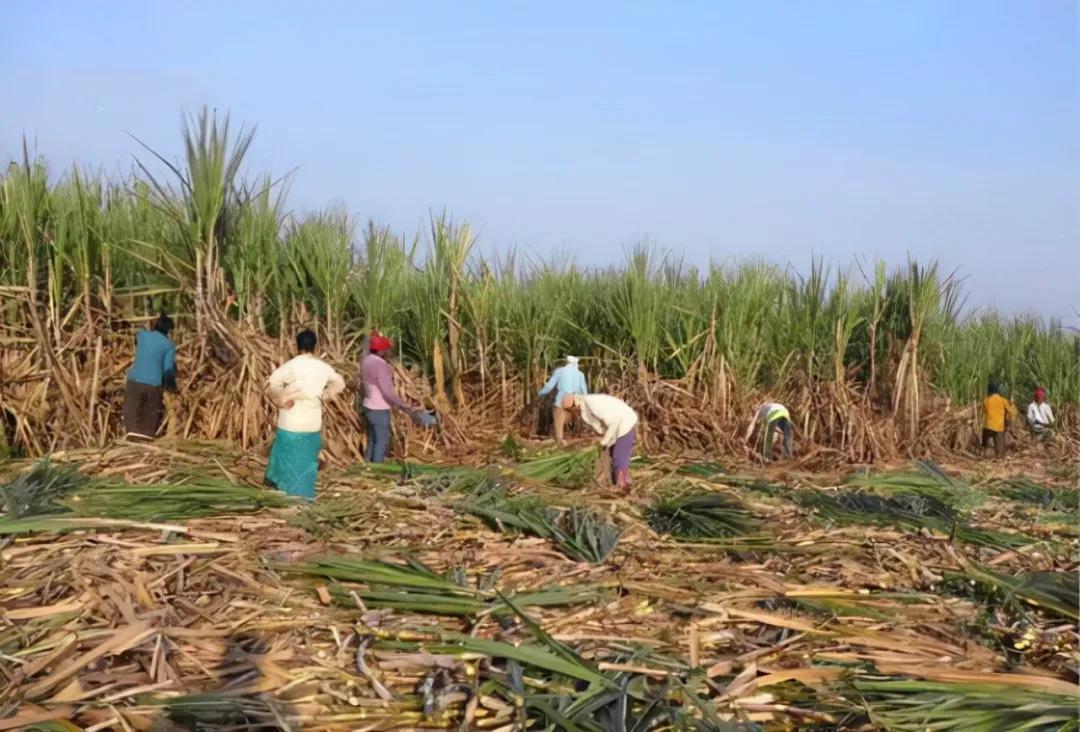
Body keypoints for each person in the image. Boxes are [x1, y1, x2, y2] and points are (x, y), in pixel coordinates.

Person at [264, 329, 346, 499]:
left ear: (297, 345)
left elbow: (272, 383)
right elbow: (340, 383)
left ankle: (285, 494)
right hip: (312, 421)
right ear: (315, 346)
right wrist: (324, 396)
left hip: (291, 420)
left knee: (288, 458)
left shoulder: (291, 365)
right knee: (307, 461)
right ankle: (302, 496)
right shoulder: (323, 367)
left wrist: (282, 398)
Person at [359, 331, 419, 463]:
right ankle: (377, 471)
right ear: (381, 351)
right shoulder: (381, 365)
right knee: (381, 441)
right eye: (387, 350)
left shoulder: (365, 361)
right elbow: (387, 391)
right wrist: (403, 405)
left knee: (372, 440)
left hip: (368, 407)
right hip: (379, 409)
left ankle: (367, 468)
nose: (389, 353)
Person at [561, 393, 637, 488]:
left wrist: (604, 442)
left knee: (619, 458)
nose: (571, 412)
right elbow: (598, 426)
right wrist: (603, 437)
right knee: (611, 455)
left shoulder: (593, 404)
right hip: (615, 427)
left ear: (575, 404)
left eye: (570, 409)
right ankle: (615, 485)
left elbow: (614, 422)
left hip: (625, 423)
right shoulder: (584, 410)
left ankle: (624, 488)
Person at [124, 313, 177, 440]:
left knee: (131, 408)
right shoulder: (169, 345)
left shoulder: (142, 335)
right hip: (153, 385)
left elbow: (136, 338)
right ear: (168, 330)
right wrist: (172, 387)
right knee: (150, 414)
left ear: (155, 325)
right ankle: (146, 436)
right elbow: (168, 370)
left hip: (134, 382)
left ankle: (130, 432)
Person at [538, 356, 588, 446]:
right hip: (575, 402)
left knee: (558, 413)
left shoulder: (559, 371)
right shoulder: (580, 374)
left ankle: (559, 438)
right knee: (572, 413)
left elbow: (549, 386)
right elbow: (584, 392)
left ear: (567, 363)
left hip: (563, 400)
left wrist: (540, 394)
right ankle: (574, 433)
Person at [982, 381, 1018, 458]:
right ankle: (999, 456)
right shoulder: (1003, 400)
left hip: (988, 426)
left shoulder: (986, 400)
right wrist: (1013, 406)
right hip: (998, 427)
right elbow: (1012, 412)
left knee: (985, 435)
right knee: (1000, 441)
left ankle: (983, 450)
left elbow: (984, 412)